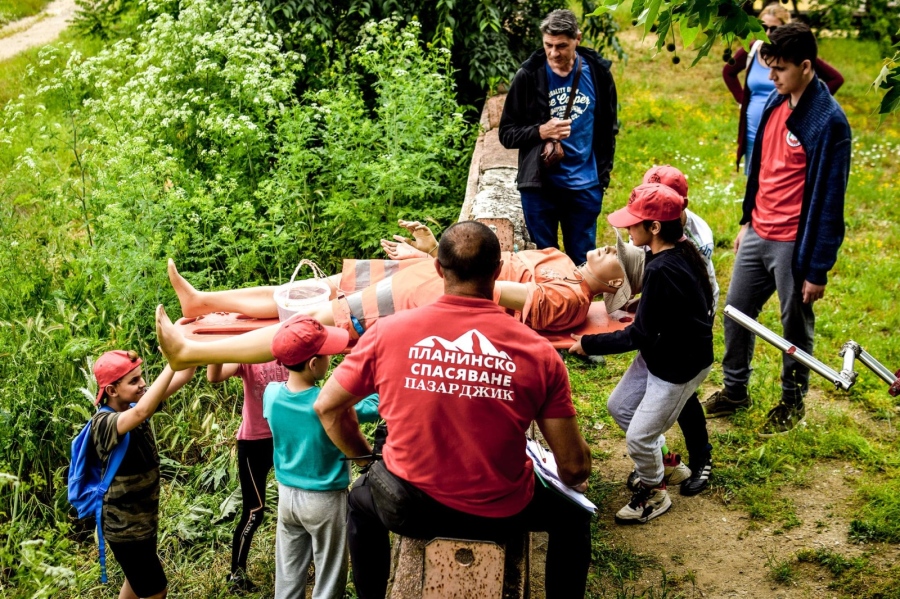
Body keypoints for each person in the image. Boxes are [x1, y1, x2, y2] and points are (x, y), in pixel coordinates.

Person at [313, 221, 594, 598]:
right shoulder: (539, 352)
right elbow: (575, 467)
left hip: (408, 507)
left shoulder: (388, 332)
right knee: (574, 520)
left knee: (361, 505)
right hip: (502, 512)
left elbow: (327, 407)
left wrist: (365, 458)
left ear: (437, 268)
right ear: (498, 273)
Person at [155, 220, 646, 371]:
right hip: (435, 275)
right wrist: (436, 252)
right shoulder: (565, 266)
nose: (608, 246)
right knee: (315, 293)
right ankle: (202, 303)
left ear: (612, 285)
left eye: (615, 256)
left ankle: (195, 350)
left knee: (319, 323)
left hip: (439, 289)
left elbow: (500, 291)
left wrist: (445, 259)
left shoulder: (572, 299)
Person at [704, 23, 851, 436]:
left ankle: (792, 401)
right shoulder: (773, 99)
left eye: (780, 69)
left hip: (794, 245)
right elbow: (764, 168)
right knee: (735, 314)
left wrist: (818, 268)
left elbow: (830, 202)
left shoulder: (829, 123)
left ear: (807, 66)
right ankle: (735, 391)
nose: (771, 78)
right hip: (758, 231)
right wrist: (748, 219)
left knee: (793, 327)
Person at [569, 184, 714, 523]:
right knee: (619, 407)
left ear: (655, 227)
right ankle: (667, 464)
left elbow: (640, 334)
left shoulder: (664, 268)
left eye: (633, 223)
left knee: (639, 436)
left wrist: (589, 343)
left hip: (679, 366)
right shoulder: (676, 250)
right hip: (660, 352)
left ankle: (654, 492)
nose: (626, 229)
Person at [263, 315, 379, 599]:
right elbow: (375, 404)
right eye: (328, 355)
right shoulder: (329, 404)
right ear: (314, 364)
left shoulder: (271, 394)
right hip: (324, 500)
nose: (332, 358)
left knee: (288, 575)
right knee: (329, 576)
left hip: (287, 497)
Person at [499, 8, 618, 264]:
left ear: (578, 38)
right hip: (540, 188)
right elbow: (506, 134)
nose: (554, 53)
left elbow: (609, 130)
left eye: (562, 45)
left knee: (584, 264)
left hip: (585, 187)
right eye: (548, 45)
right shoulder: (529, 76)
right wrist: (541, 131)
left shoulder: (598, 73)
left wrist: (601, 180)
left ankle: (583, 306)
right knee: (546, 265)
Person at [631, 165, 719, 495]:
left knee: (680, 387)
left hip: (692, 310)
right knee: (647, 390)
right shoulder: (652, 223)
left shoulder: (692, 238)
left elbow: (671, 283)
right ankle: (659, 457)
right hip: (664, 301)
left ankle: (701, 458)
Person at [90, 349, 195, 599]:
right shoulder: (104, 423)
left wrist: (190, 345)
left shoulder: (135, 404)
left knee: (136, 582)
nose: (143, 383)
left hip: (142, 521)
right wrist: (174, 361)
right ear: (112, 391)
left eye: (141, 377)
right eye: (134, 380)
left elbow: (185, 374)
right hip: (125, 527)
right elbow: (141, 413)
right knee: (156, 590)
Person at [722, 2, 843, 174]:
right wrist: (743, 101)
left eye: (774, 29)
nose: (768, 33)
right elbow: (728, 72)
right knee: (754, 181)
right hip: (753, 130)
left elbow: (835, 79)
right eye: (763, 28)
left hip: (784, 131)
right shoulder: (753, 49)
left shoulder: (796, 57)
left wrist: (808, 107)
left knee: (780, 179)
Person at [206, 360, 288, 593]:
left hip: (286, 437)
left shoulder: (285, 345)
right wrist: (215, 348)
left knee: (296, 502)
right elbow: (215, 376)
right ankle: (236, 576)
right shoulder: (248, 352)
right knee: (254, 512)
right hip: (253, 443)